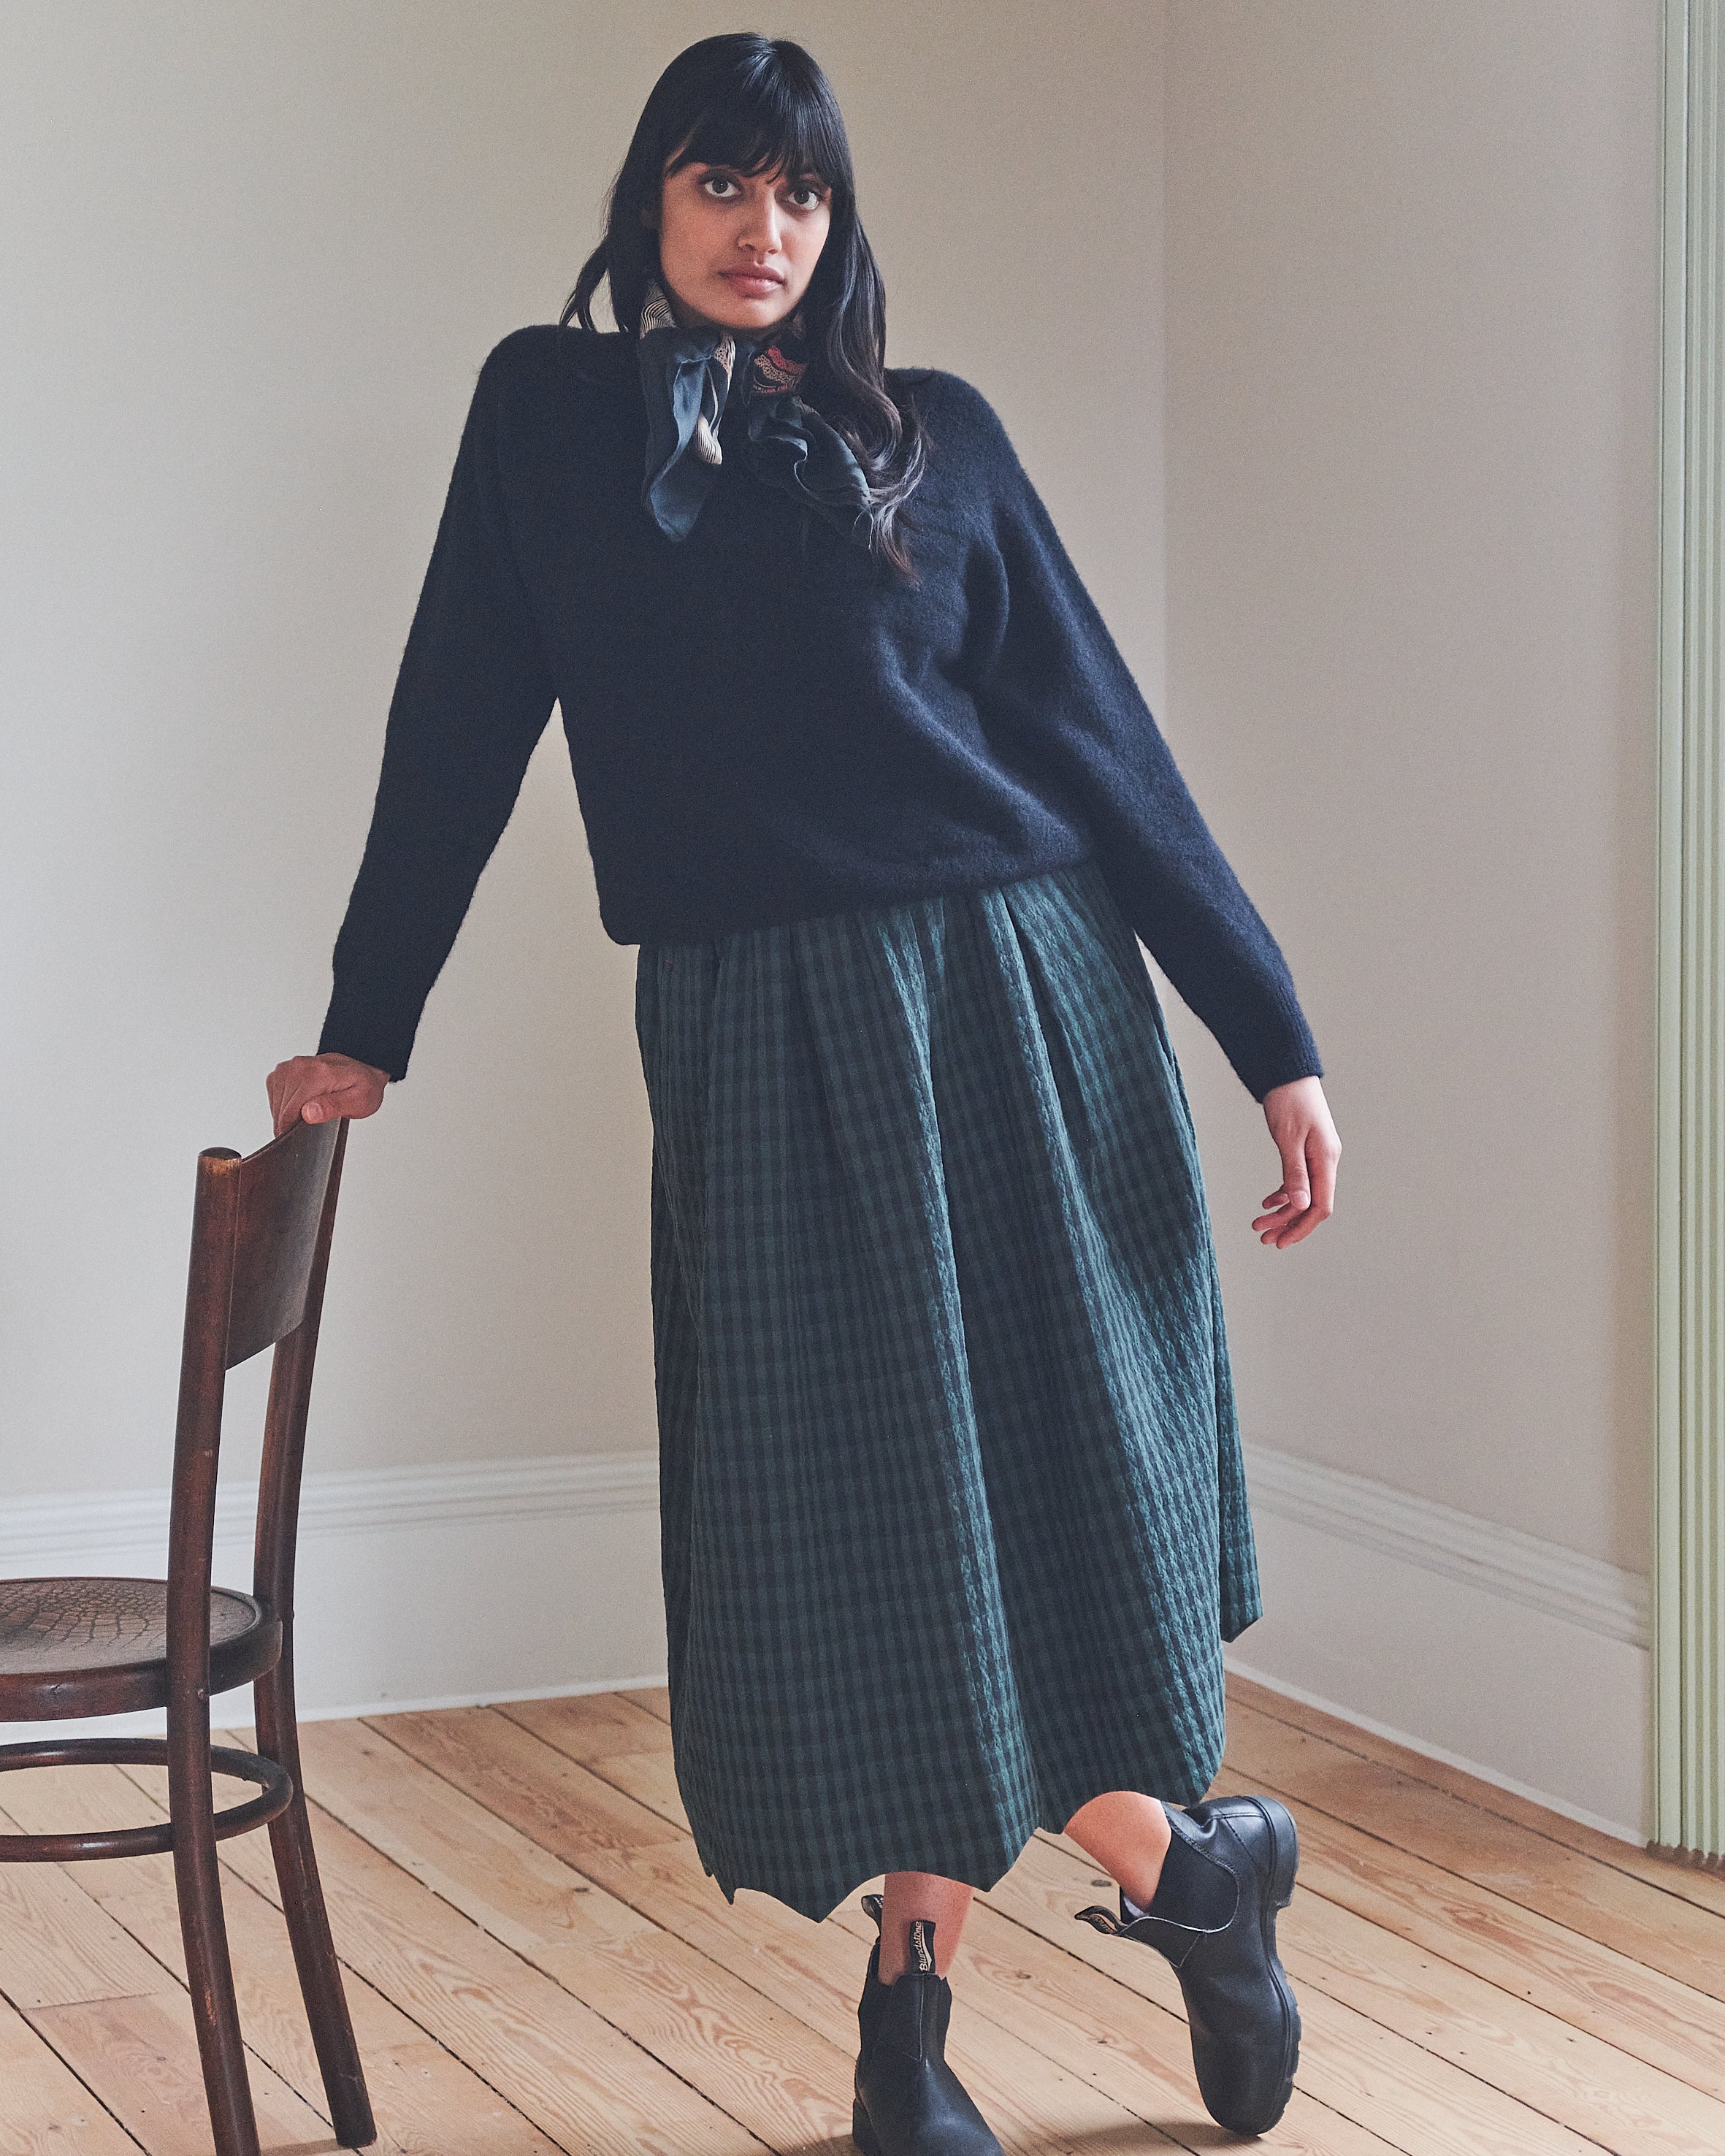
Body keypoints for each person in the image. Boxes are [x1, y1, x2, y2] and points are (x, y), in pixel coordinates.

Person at [267, 31, 1339, 2153]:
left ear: (838, 225)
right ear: (646, 205)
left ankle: (909, 2024)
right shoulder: (549, 418)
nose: (764, 231)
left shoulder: (933, 439)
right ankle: (1194, 1874)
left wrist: (1270, 1032)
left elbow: (1101, 749)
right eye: (719, 185)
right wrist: (367, 1018)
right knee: (858, 1523)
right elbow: (458, 718)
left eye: (802, 196)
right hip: (756, 1030)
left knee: (1015, 1507)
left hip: (1015, 1002)